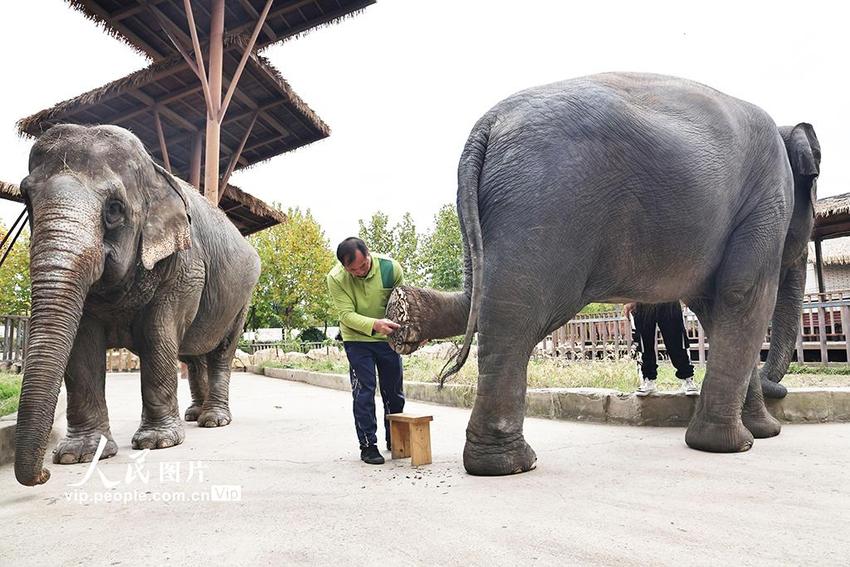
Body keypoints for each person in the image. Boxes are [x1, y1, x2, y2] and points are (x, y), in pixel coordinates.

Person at [327, 237, 405, 465]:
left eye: (364, 265)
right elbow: (346, 315)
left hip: (388, 338)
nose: (360, 271)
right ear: (344, 267)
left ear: (369, 254)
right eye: (353, 269)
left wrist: (414, 333)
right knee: (364, 390)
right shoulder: (336, 278)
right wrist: (374, 324)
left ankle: (396, 438)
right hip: (357, 339)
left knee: (393, 391)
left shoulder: (391, 268)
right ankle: (368, 445)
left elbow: (404, 303)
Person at [624, 302, 698, 396]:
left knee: (676, 339)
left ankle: (688, 378)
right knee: (643, 343)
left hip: (667, 296)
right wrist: (628, 300)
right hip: (642, 299)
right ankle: (648, 380)